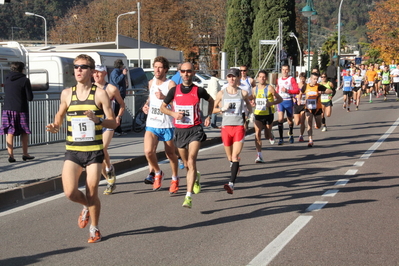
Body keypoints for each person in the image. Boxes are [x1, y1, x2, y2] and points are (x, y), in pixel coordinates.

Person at [46, 54, 117, 243]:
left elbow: (113, 122)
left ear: (92, 71)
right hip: (73, 150)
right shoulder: (67, 93)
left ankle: (94, 228)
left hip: (94, 150)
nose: (78, 70)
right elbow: (60, 115)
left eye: (83, 67)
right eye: (76, 66)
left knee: (92, 190)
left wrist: (99, 120)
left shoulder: (100, 94)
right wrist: (56, 125)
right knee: (70, 192)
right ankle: (86, 206)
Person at [160, 62, 214, 208]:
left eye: (189, 71)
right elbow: (162, 107)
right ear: (179, 73)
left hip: (195, 129)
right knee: (185, 163)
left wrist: (208, 116)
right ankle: (195, 177)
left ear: (193, 73)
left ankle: (188, 196)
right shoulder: (174, 91)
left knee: (191, 160)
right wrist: (174, 114)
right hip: (180, 131)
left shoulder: (199, 90)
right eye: (183, 71)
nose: (186, 74)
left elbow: (211, 100)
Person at [141, 56, 179, 193]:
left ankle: (175, 178)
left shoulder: (170, 85)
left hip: (166, 124)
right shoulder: (151, 83)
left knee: (170, 154)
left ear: (166, 70)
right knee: (148, 151)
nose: (157, 70)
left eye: (160, 67)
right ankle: (158, 172)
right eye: (155, 67)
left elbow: (177, 103)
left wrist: (165, 98)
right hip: (152, 123)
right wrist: (146, 105)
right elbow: (151, 98)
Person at [213, 68, 253, 193]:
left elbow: (249, 106)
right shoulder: (221, 93)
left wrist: (248, 116)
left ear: (238, 79)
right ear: (227, 78)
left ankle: (231, 184)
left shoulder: (243, 93)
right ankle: (235, 166)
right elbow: (212, 109)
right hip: (226, 128)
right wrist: (221, 109)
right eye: (229, 76)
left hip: (238, 127)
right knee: (230, 157)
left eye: (234, 76)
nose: (231, 79)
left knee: (235, 156)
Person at [93, 64, 125, 195]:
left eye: (99, 73)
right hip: (95, 125)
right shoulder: (90, 88)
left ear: (105, 74)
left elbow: (122, 104)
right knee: (97, 155)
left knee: (102, 148)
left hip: (108, 123)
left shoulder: (111, 88)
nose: (96, 75)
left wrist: (118, 117)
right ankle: (109, 180)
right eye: (94, 73)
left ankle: (109, 168)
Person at [0, 61, 34, 163]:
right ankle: (25, 154)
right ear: (22, 69)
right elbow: (30, 97)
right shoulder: (25, 80)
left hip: (7, 109)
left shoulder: (7, 78)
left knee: (10, 132)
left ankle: (11, 155)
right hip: (21, 109)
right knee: (24, 131)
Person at [251, 70, 282, 163]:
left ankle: (270, 134)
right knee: (257, 134)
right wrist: (252, 102)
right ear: (258, 78)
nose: (262, 78)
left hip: (268, 114)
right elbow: (252, 99)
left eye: (264, 77)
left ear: (266, 78)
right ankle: (259, 155)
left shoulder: (270, 88)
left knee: (266, 135)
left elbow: (280, 99)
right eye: (260, 77)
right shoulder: (254, 89)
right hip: (258, 114)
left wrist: (271, 103)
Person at [299, 72, 332, 147]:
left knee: (319, 125)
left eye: (316, 79)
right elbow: (300, 93)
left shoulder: (319, 86)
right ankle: (310, 140)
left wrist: (323, 92)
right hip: (308, 108)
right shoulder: (306, 86)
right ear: (310, 79)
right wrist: (299, 100)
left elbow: (330, 91)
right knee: (309, 123)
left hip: (317, 108)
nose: (315, 80)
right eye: (314, 79)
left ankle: (317, 124)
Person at [275, 64, 300, 145]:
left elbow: (297, 90)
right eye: (283, 69)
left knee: (289, 120)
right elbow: (277, 90)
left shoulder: (291, 79)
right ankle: (281, 138)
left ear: (289, 70)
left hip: (288, 101)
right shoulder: (278, 80)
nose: (285, 71)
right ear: (281, 70)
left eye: (286, 70)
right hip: (281, 101)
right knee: (280, 119)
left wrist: (287, 91)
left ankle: (291, 134)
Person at [109, 59, 127, 136]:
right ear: (120, 65)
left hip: (120, 94)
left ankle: (119, 129)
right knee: (117, 112)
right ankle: (116, 129)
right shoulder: (115, 72)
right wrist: (123, 74)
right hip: (117, 95)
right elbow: (116, 81)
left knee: (119, 112)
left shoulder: (116, 72)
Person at [239, 65, 255, 130]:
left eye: (244, 70)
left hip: (247, 102)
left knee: (245, 122)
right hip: (239, 103)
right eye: (241, 70)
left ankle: (243, 135)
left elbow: (254, 89)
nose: (242, 72)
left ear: (247, 71)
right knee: (241, 123)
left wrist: (253, 99)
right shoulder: (237, 79)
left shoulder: (250, 80)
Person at [294, 72, 307, 142]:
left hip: (303, 105)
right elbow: (292, 92)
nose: (302, 80)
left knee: (302, 121)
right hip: (296, 104)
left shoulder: (307, 86)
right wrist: (294, 98)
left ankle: (301, 135)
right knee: (297, 122)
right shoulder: (296, 85)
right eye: (301, 78)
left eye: (303, 78)